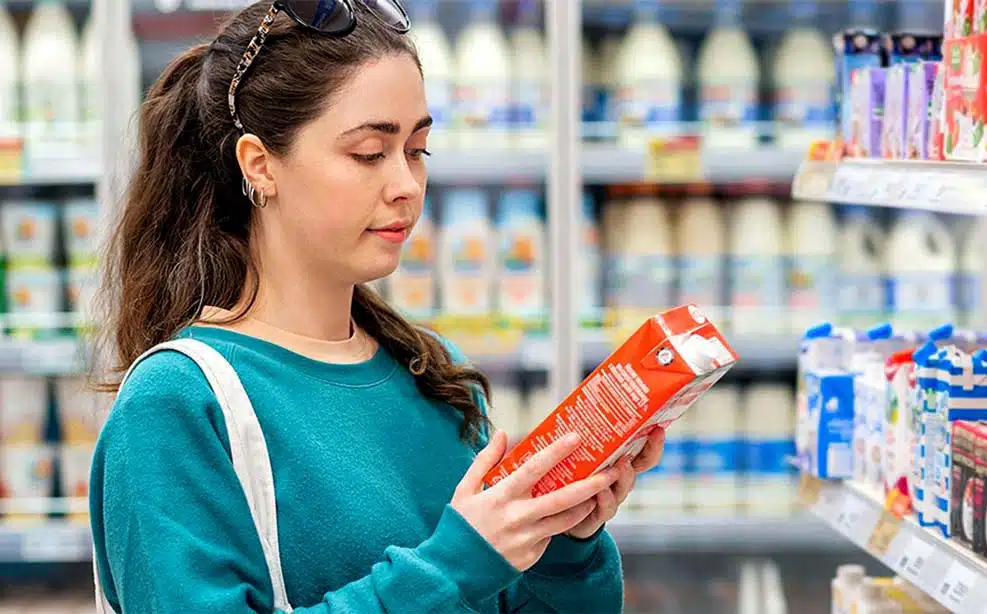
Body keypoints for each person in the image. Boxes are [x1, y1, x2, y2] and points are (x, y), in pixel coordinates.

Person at [89, 0, 666, 612]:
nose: (406, 185)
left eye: (417, 150)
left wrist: (563, 541)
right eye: (369, 153)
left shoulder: (436, 377)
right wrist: (454, 565)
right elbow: (454, 576)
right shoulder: (179, 403)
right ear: (260, 166)